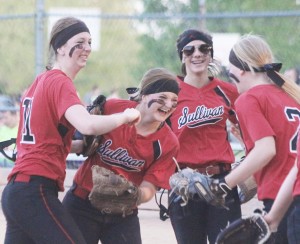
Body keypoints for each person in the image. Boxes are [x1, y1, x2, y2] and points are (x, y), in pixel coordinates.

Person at [1, 16, 140, 244]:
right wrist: (125, 116)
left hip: (19, 191)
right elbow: (87, 124)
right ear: (61, 46)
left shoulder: (41, 81)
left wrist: (80, 146)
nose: (87, 48)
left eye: (89, 42)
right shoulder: (60, 82)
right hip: (35, 191)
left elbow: (45, 141)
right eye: (80, 41)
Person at [62, 67, 180, 244]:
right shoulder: (113, 109)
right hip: (82, 203)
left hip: (123, 212)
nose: (169, 105)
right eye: (162, 98)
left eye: (174, 100)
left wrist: (133, 195)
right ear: (145, 95)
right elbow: (82, 142)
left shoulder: (168, 142)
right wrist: (47, 148)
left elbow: (150, 187)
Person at [221, 34, 300, 243]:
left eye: (230, 70)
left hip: (280, 197)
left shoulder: (249, 98)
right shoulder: (292, 94)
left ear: (240, 70)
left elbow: (266, 150)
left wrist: (224, 183)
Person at [168, 29, 241, 244]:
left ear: (210, 54)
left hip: (222, 181)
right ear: (182, 56)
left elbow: (250, 131)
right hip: (185, 184)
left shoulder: (227, 90)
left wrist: (251, 170)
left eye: (203, 48)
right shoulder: (171, 91)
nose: (197, 54)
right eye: (189, 50)